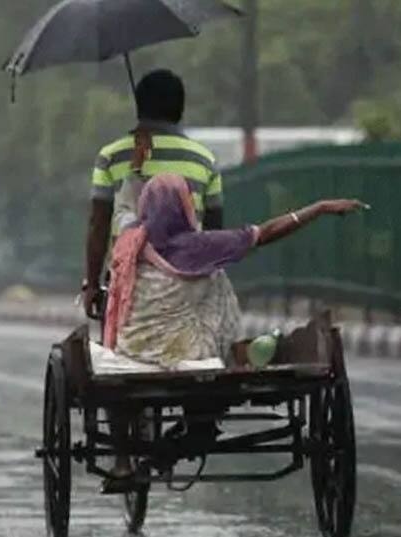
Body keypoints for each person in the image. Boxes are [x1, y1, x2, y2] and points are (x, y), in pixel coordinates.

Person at [99, 173, 365, 491]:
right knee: (216, 282)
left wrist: (135, 172)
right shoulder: (204, 245)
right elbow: (266, 232)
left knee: (109, 379)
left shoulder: (130, 240)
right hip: (194, 355)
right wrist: (319, 207)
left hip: (136, 353)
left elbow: (124, 211)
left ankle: (123, 461)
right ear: (186, 207)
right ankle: (186, 440)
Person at [84, 69, 223, 318]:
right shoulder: (205, 160)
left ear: (139, 107)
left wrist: (92, 284)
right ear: (180, 109)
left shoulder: (111, 157)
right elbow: (214, 231)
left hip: (127, 288)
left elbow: (99, 223)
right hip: (187, 287)